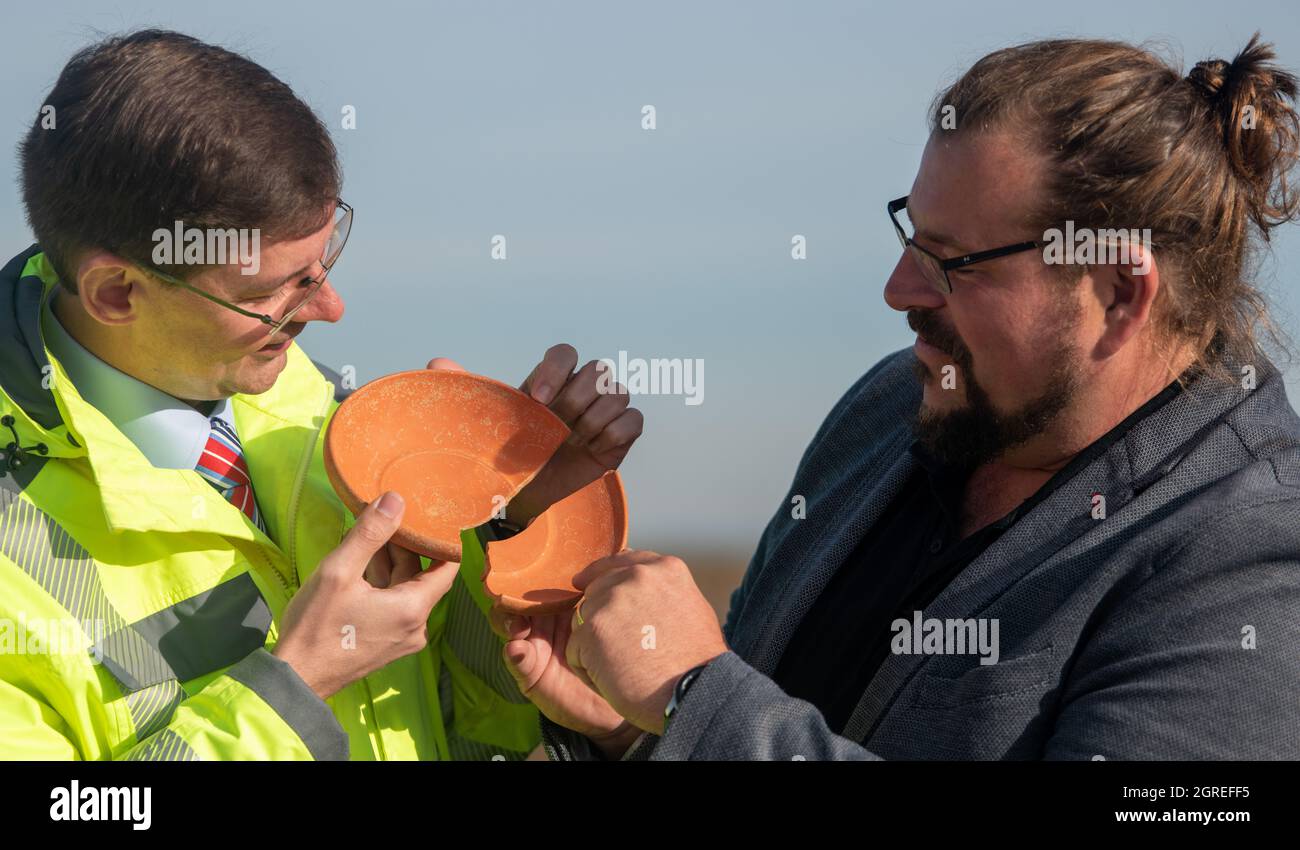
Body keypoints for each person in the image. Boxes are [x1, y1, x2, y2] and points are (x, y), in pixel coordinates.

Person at [505, 34, 1300, 760]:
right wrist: (632, 733)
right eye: (910, 237)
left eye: (955, 261)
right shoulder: (891, 406)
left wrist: (695, 701)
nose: (898, 291)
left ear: (1123, 293)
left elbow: (723, 707)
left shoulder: (1251, 562)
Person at [0, 29, 641, 760]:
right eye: (274, 291)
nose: (330, 308)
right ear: (117, 292)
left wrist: (504, 524)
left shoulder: (331, 423)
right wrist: (294, 687)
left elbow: (466, 723)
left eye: (323, 260)